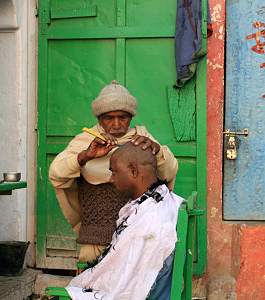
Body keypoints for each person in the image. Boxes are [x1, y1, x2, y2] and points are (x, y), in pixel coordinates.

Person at [49, 80, 178, 264]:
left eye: (123, 117)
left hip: (139, 241)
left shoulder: (142, 139)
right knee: (92, 288)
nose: (117, 125)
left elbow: (169, 172)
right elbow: (56, 173)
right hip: (96, 241)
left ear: (131, 117)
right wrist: (85, 156)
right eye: (109, 118)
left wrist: (157, 151)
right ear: (99, 119)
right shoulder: (85, 141)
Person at [66, 142, 185, 299]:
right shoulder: (156, 202)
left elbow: (128, 290)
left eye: (114, 172)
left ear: (133, 171)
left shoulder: (150, 220)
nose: (111, 179)